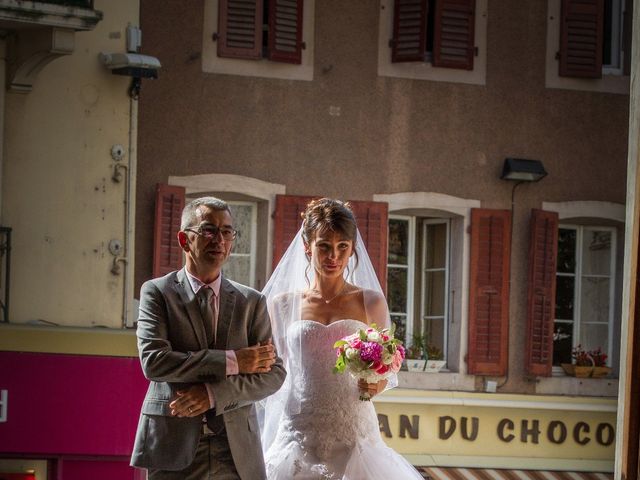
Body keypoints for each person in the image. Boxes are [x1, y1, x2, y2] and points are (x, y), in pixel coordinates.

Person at [260, 198, 423, 479]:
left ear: (351, 250)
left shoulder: (370, 302)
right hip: (298, 428)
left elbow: (385, 370)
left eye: (342, 247)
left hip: (352, 429)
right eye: (324, 245)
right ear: (307, 246)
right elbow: (275, 370)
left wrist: (374, 386)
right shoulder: (282, 304)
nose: (332, 256)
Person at [131, 197, 286, 480]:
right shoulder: (157, 293)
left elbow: (273, 374)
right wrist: (234, 361)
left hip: (236, 450)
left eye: (227, 231)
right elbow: (154, 362)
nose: (220, 240)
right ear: (183, 239)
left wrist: (213, 395)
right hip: (173, 446)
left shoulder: (251, 301)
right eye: (208, 230)